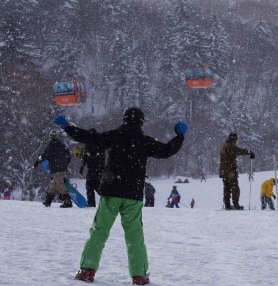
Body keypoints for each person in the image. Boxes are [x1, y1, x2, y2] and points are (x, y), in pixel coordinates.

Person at [54, 107, 186, 285]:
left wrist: (67, 127)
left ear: (124, 120)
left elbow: (90, 138)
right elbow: (166, 151)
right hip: (133, 195)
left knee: (99, 231)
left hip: (111, 191)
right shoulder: (145, 141)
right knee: (134, 236)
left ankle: (87, 271)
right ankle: (139, 275)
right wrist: (179, 136)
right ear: (141, 122)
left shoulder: (114, 136)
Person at [34, 129, 72, 208]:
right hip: (62, 168)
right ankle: (48, 201)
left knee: (59, 184)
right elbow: (69, 155)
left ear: (50, 137)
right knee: (54, 184)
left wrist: (37, 161)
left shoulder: (51, 146)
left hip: (56, 168)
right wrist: (65, 164)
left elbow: (44, 155)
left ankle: (67, 201)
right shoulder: (62, 145)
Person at [219, 132, 254, 210]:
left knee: (227, 188)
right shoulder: (230, 146)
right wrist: (249, 152)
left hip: (224, 170)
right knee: (235, 187)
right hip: (230, 170)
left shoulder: (225, 145)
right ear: (234, 139)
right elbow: (238, 151)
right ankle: (236, 205)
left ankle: (227, 205)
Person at [79, 128, 106, 208]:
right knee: (97, 185)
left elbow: (87, 156)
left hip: (93, 168)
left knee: (89, 186)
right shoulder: (101, 143)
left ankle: (91, 203)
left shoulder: (89, 143)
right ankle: (108, 199)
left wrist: (82, 166)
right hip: (101, 168)